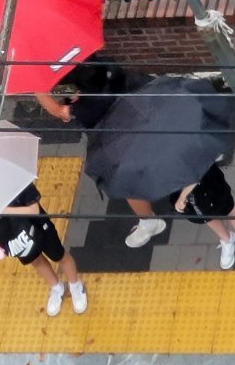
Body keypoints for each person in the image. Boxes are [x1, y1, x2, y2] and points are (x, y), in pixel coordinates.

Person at [35, 57, 165, 249]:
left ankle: (149, 222)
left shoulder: (85, 108)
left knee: (123, 182)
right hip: (138, 117)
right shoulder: (109, 71)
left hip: (118, 141)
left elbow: (59, 111)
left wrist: (38, 90)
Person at [0, 183, 88, 317]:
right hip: (17, 237)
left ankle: (75, 286)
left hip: (40, 227)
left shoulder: (20, 182)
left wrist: (5, 210)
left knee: (59, 256)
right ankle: (57, 287)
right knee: (36, 261)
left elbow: (34, 210)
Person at [171, 163, 235, 270]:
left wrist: (183, 195)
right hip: (187, 195)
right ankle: (227, 239)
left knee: (228, 208)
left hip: (208, 183)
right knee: (205, 216)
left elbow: (200, 167)